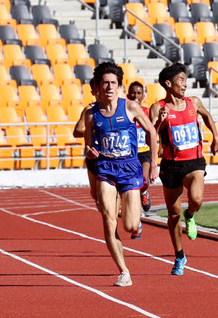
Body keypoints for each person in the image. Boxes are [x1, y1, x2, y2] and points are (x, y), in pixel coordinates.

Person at [83, 62, 158, 287]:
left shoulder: (131, 107)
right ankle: (124, 271)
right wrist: (90, 151)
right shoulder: (90, 114)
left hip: (130, 169)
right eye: (105, 83)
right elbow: (88, 147)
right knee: (108, 220)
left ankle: (133, 205)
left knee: (129, 225)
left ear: (119, 86)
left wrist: (154, 163)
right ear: (97, 86)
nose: (109, 87)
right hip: (105, 168)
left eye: (113, 83)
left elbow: (152, 132)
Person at [150, 62, 218, 276]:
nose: (185, 84)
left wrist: (215, 136)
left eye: (185, 79)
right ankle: (180, 256)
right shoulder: (158, 107)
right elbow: (150, 136)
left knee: (197, 199)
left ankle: (190, 214)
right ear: (168, 83)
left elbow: (207, 116)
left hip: (194, 162)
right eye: (181, 80)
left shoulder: (194, 102)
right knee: (172, 215)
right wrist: (159, 124)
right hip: (171, 165)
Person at [127, 80, 153, 213]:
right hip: (129, 153)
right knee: (132, 184)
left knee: (144, 180)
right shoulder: (124, 112)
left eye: (138, 93)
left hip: (144, 151)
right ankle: (135, 210)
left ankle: (144, 193)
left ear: (143, 96)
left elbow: (152, 131)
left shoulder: (147, 112)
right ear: (128, 95)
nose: (135, 95)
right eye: (133, 92)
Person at [73, 77, 100, 206]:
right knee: (96, 194)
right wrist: (93, 132)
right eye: (97, 90)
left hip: (111, 155)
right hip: (93, 156)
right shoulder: (89, 110)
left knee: (112, 192)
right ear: (93, 92)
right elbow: (77, 131)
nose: (101, 92)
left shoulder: (117, 108)